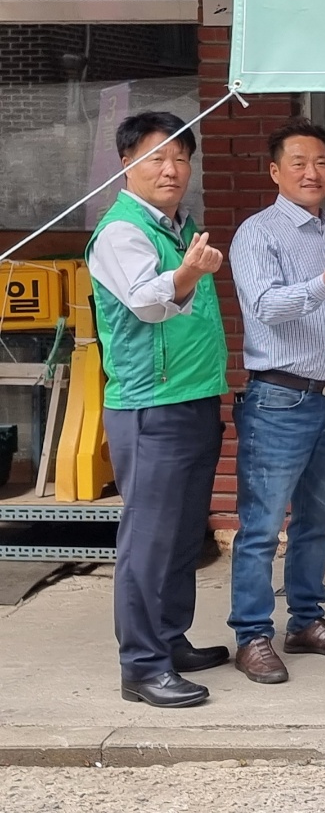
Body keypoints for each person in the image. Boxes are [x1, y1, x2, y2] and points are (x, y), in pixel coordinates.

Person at [86, 111, 229, 708]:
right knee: (147, 540)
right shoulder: (123, 231)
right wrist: (189, 272)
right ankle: (141, 666)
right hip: (150, 406)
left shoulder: (174, 226)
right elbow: (147, 303)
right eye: (155, 158)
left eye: (180, 158)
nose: (171, 169)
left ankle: (170, 640)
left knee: (178, 536)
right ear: (126, 163)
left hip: (192, 398)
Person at [228, 118, 325, 685]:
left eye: (322, 163)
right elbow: (265, 306)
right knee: (261, 526)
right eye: (300, 163)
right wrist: (323, 289)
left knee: (316, 521)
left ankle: (306, 620)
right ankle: (251, 635)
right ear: (275, 171)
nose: (313, 172)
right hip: (280, 399)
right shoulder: (257, 233)